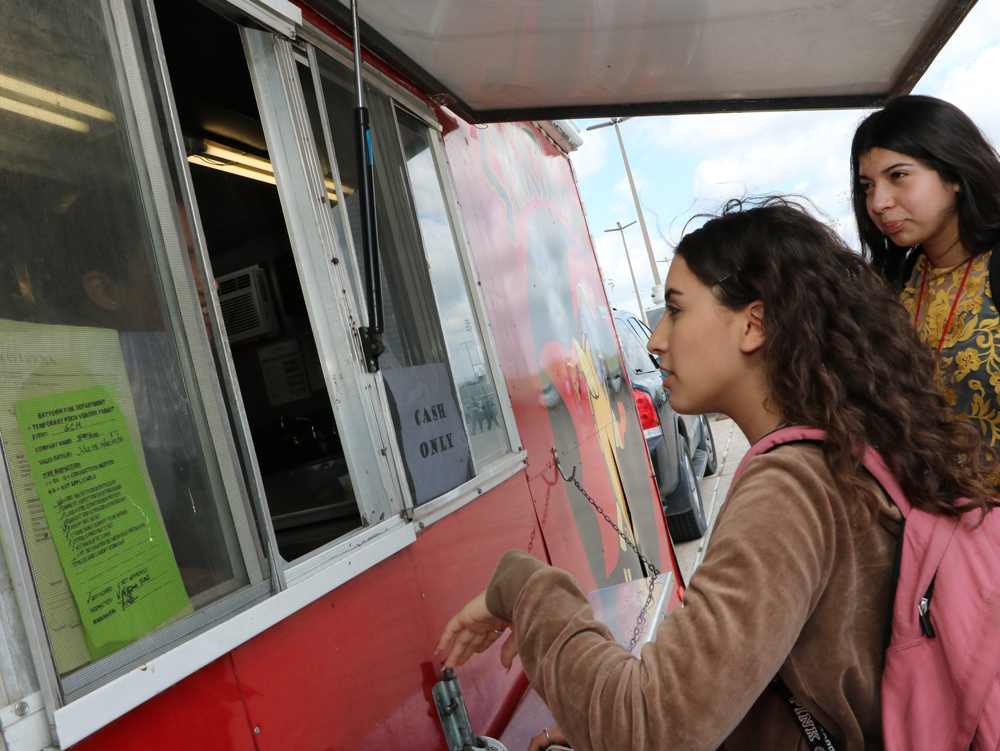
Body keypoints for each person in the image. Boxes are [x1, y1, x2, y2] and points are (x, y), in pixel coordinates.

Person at [436, 198, 996, 751]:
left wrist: (524, 588)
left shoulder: (792, 489)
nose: (656, 340)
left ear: (753, 324)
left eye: (676, 310)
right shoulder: (852, 452)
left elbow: (644, 728)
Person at [851, 95, 1000, 486]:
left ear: (953, 174)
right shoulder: (886, 288)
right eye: (868, 186)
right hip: (942, 532)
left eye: (898, 176)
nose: (879, 202)